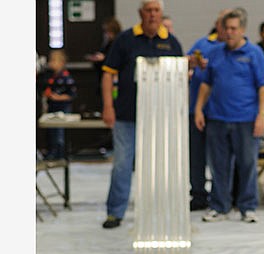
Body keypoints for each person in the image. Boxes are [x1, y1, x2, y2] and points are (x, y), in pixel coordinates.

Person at [100, 0, 183, 229]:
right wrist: (109, 106)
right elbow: (108, 74)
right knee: (122, 165)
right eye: (148, 10)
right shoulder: (125, 40)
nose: (153, 15)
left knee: (159, 166)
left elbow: (179, 76)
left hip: (159, 118)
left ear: (161, 14)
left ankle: (158, 209)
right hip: (127, 115)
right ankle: (115, 212)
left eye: (156, 10)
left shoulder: (171, 42)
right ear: (140, 13)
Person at [193, 8, 264, 224]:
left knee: (247, 164)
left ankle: (247, 207)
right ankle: (220, 206)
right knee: (218, 165)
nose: (229, 32)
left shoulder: (254, 54)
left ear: (243, 30)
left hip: (245, 120)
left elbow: (263, 87)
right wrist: (199, 109)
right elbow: (206, 84)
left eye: (234, 28)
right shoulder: (215, 53)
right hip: (217, 118)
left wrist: (261, 116)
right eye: (226, 28)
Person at [186, 9, 231, 211]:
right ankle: (198, 195)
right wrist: (192, 64)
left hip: (222, 112)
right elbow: (185, 64)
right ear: (217, 24)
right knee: (196, 156)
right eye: (225, 24)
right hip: (198, 109)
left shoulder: (235, 47)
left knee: (221, 157)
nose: (228, 30)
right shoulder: (202, 45)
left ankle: (221, 195)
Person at [41, 49, 77, 160]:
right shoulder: (50, 76)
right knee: (52, 131)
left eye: (53, 61)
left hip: (63, 108)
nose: (51, 63)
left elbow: (72, 94)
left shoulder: (66, 77)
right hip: (52, 107)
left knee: (60, 133)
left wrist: (58, 97)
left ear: (62, 62)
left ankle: (61, 154)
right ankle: (52, 152)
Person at [85, 17, 122, 103]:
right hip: (102, 75)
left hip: (114, 79)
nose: (106, 34)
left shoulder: (119, 42)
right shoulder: (107, 43)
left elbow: (117, 60)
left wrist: (105, 58)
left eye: (108, 31)